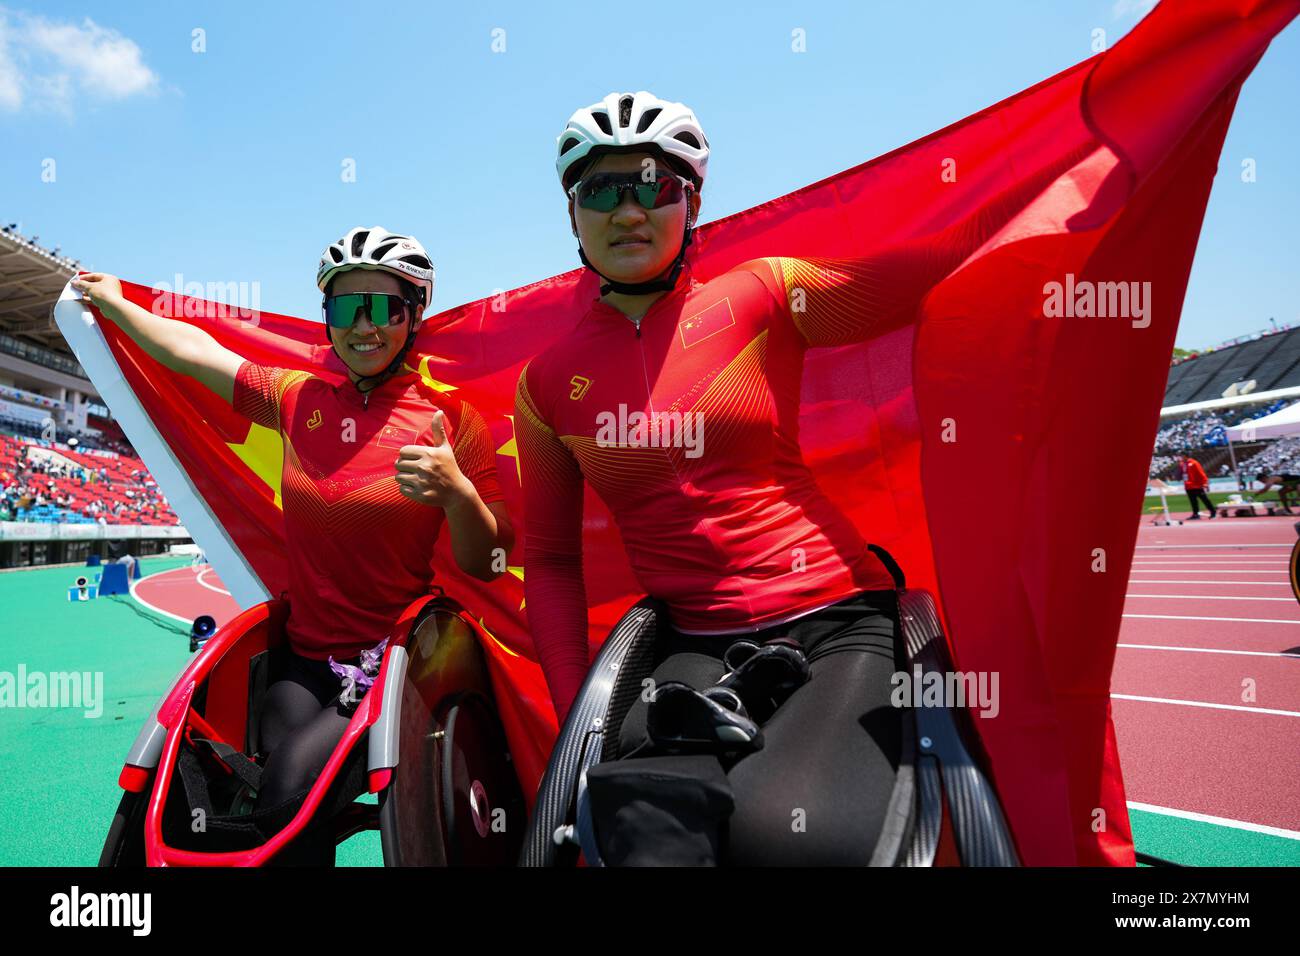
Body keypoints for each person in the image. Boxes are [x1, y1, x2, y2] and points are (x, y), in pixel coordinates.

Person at [515, 92, 953, 865]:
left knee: (793, 839)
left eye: (655, 186)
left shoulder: (763, 295)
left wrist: (1096, 179)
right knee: (642, 831)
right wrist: (573, 721)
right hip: (691, 644)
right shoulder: (546, 383)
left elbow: (942, 269)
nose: (629, 211)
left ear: (692, 203)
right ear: (572, 212)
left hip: (837, 621)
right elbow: (549, 560)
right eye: (602, 190)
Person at [73, 226, 513, 864]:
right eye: (344, 307)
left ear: (415, 316)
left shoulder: (449, 422)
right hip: (300, 658)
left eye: (384, 307)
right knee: (251, 783)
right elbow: (196, 353)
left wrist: (457, 494)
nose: (364, 326)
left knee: (285, 796)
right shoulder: (297, 398)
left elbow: (490, 561)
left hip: (386, 668)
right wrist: (116, 304)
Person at [1179, 453, 1215, 519]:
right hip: (1188, 486)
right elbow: (1183, 474)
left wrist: (1205, 483)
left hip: (1197, 485)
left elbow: (1201, 473)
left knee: (1204, 499)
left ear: (1185, 456)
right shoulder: (1182, 464)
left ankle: (1213, 512)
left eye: (1181, 456)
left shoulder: (1194, 463)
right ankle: (1195, 514)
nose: (1180, 458)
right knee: (1193, 501)